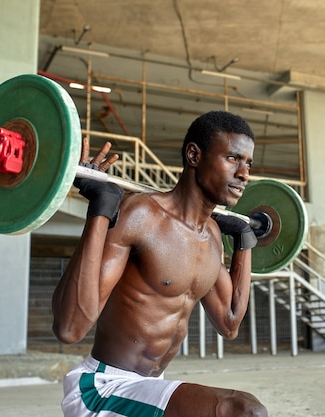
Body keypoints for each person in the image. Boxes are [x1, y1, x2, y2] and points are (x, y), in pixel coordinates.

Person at [52, 111, 268, 417]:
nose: (244, 173)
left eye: (248, 163)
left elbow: (229, 322)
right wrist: (101, 209)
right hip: (104, 389)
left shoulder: (213, 236)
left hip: (150, 388)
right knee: (243, 411)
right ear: (194, 155)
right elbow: (70, 327)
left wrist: (244, 242)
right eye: (233, 158)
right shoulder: (141, 215)